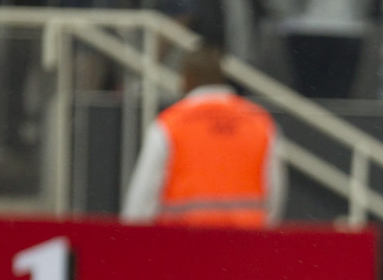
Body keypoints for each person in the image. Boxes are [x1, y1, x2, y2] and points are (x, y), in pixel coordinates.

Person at [120, 45, 287, 228]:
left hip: (182, 245)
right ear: (220, 76)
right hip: (245, 245)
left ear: (187, 77)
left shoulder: (169, 125)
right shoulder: (260, 123)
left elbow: (141, 202)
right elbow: (274, 197)